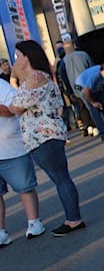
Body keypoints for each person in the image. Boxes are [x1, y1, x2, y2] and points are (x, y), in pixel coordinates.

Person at [0, 40, 86, 237]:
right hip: (44, 137)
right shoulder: (37, 77)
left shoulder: (35, 79)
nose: (15, 60)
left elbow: (15, 108)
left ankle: (74, 219)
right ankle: (72, 218)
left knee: (61, 179)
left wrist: (15, 78)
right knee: (61, 179)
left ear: (27, 57)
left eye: (18, 56)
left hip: (45, 137)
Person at [0, 77, 45, 247]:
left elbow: (15, 108)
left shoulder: (2, 86)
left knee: (24, 187)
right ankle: (1, 232)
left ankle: (34, 222)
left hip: (12, 148)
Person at [61, 41, 99, 137]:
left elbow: (64, 78)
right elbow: (92, 68)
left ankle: (89, 126)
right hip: (87, 84)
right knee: (92, 105)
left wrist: (69, 92)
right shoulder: (83, 54)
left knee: (82, 107)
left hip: (75, 88)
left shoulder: (63, 61)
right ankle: (96, 125)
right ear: (74, 46)